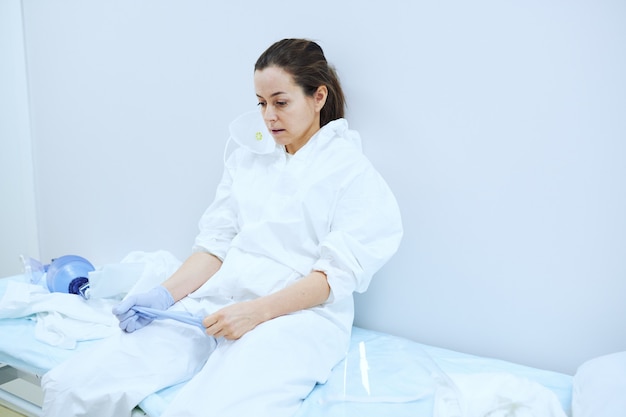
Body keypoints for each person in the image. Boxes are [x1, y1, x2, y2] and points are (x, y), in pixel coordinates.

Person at [41, 38, 403, 417]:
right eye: (261, 103)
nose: (268, 117)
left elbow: (333, 277)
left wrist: (257, 312)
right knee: (80, 385)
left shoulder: (350, 172)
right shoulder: (250, 158)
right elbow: (216, 246)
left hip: (297, 318)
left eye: (281, 102)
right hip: (219, 301)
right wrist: (163, 295)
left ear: (318, 97)